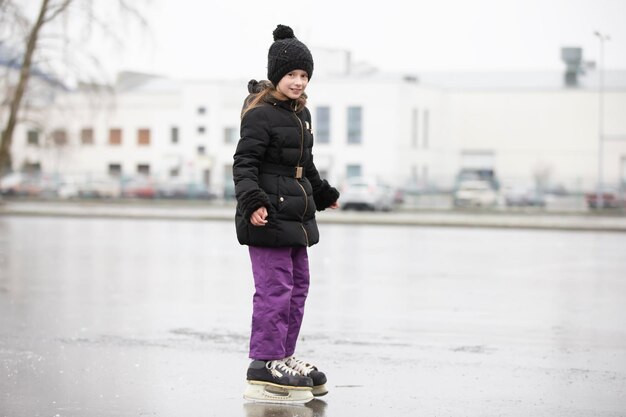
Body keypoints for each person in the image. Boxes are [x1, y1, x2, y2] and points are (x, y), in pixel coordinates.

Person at [233, 24, 340, 403]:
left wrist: (324, 193)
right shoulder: (260, 114)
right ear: (277, 74)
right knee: (274, 289)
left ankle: (284, 355)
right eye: (292, 74)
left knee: (297, 288)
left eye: (304, 75)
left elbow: (304, 165)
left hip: (296, 215)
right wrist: (254, 203)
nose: (298, 81)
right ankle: (263, 363)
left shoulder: (300, 114)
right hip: (267, 215)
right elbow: (244, 164)